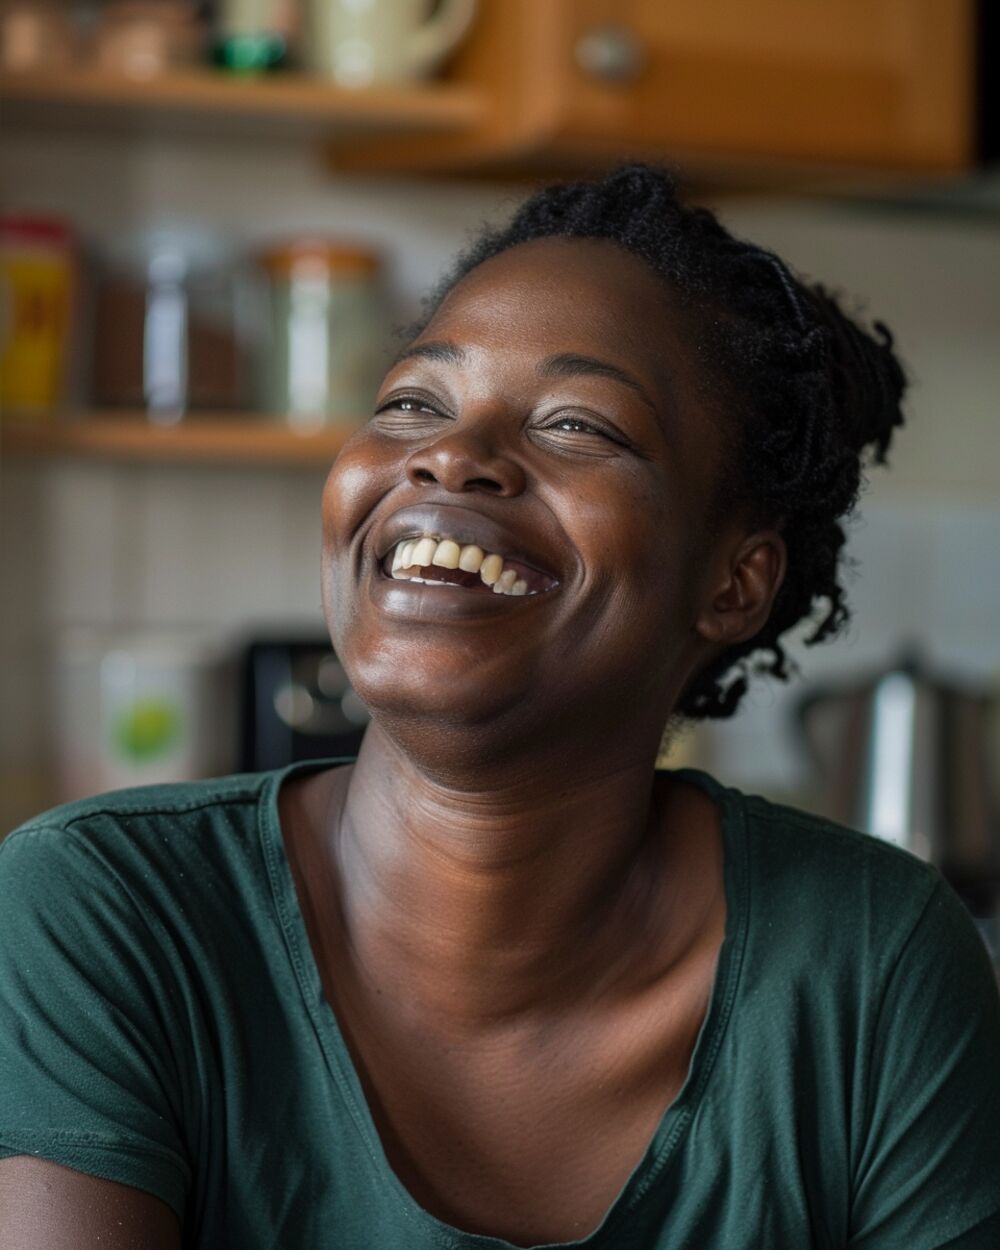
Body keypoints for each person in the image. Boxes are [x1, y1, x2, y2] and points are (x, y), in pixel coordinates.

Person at [1, 164, 998, 1250]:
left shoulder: (870, 963)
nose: (452, 455)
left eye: (578, 424)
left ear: (732, 581)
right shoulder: (106, 910)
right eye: (412, 402)